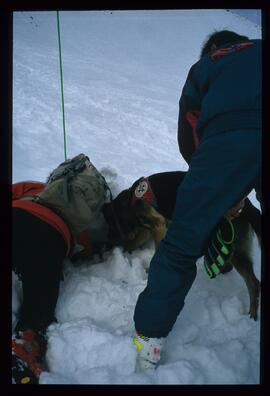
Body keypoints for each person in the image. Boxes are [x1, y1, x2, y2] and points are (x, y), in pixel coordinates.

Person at [132, 30, 261, 370]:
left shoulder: (205, 67)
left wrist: (219, 191)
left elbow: (190, 142)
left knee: (178, 249)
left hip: (226, 139)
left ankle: (147, 340)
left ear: (213, 50)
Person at [12, 160, 108, 384]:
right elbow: (83, 249)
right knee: (39, 302)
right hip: (49, 235)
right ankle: (24, 347)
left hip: (16, 213)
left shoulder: (33, 187)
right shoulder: (80, 220)